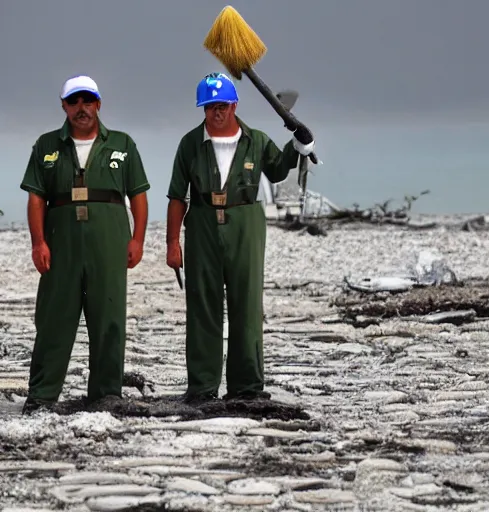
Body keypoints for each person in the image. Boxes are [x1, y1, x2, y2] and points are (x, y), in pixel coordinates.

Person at [166, 72, 315, 403]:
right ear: (202, 109)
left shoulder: (257, 140)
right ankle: (202, 387)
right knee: (203, 305)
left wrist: (298, 147)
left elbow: (277, 170)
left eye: (222, 106)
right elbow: (177, 196)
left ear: (233, 105)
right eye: (209, 107)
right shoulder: (189, 144)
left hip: (245, 220)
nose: (216, 113)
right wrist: (172, 243)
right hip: (202, 222)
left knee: (246, 305)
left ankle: (246, 387)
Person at [19, 75, 150, 414]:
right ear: (64, 106)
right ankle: (42, 394)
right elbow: (35, 199)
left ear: (98, 104)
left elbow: (138, 195)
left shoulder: (122, 144)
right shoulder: (46, 146)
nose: (82, 108)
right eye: (74, 101)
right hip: (60, 246)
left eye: (87, 101)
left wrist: (137, 239)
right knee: (53, 319)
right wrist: (38, 243)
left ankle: (106, 393)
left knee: (109, 318)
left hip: (109, 245)